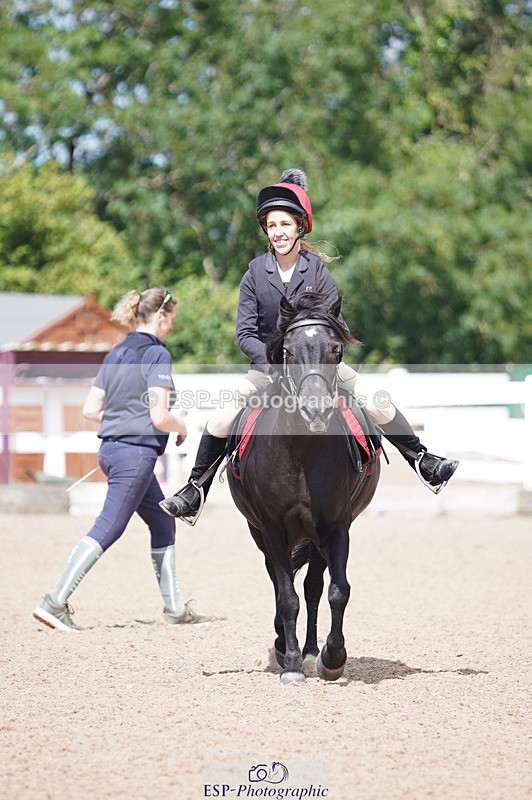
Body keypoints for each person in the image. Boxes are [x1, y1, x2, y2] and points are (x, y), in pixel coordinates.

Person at [159, 170, 458, 521]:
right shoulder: (255, 272)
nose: (278, 232)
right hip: (269, 368)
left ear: (299, 227)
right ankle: (196, 489)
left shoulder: (316, 270)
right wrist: (274, 365)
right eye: (271, 226)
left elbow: (338, 326)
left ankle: (422, 460)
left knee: (375, 401)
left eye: (284, 224)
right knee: (222, 417)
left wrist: (323, 357)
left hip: (318, 367)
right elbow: (245, 334)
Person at [33, 287, 210, 631]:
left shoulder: (116, 353)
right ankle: (54, 602)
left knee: (162, 522)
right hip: (135, 456)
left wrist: (124, 419)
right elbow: (160, 417)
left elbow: (90, 410)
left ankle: (175, 609)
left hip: (112, 452)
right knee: (108, 527)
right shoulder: (157, 355)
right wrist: (182, 426)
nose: (171, 326)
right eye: (171, 319)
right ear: (160, 316)